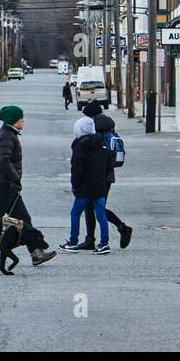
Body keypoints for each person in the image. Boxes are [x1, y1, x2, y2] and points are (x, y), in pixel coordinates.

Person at [0, 105, 56, 268]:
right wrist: (16, 178)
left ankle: (36, 253)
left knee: (24, 220)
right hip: (3, 186)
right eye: (21, 119)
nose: (23, 121)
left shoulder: (8, 134)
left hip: (6, 185)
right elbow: (4, 161)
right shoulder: (7, 136)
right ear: (13, 120)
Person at [61, 105, 112, 254]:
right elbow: (108, 164)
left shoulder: (79, 146)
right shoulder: (101, 144)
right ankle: (104, 244)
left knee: (75, 212)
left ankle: (73, 241)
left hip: (84, 187)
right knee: (101, 213)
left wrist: (75, 186)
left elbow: (77, 169)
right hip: (99, 186)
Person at [83, 109, 133, 249]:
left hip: (98, 175)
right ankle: (90, 239)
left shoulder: (95, 128)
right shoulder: (108, 126)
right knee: (92, 206)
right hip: (108, 174)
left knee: (93, 206)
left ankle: (122, 228)